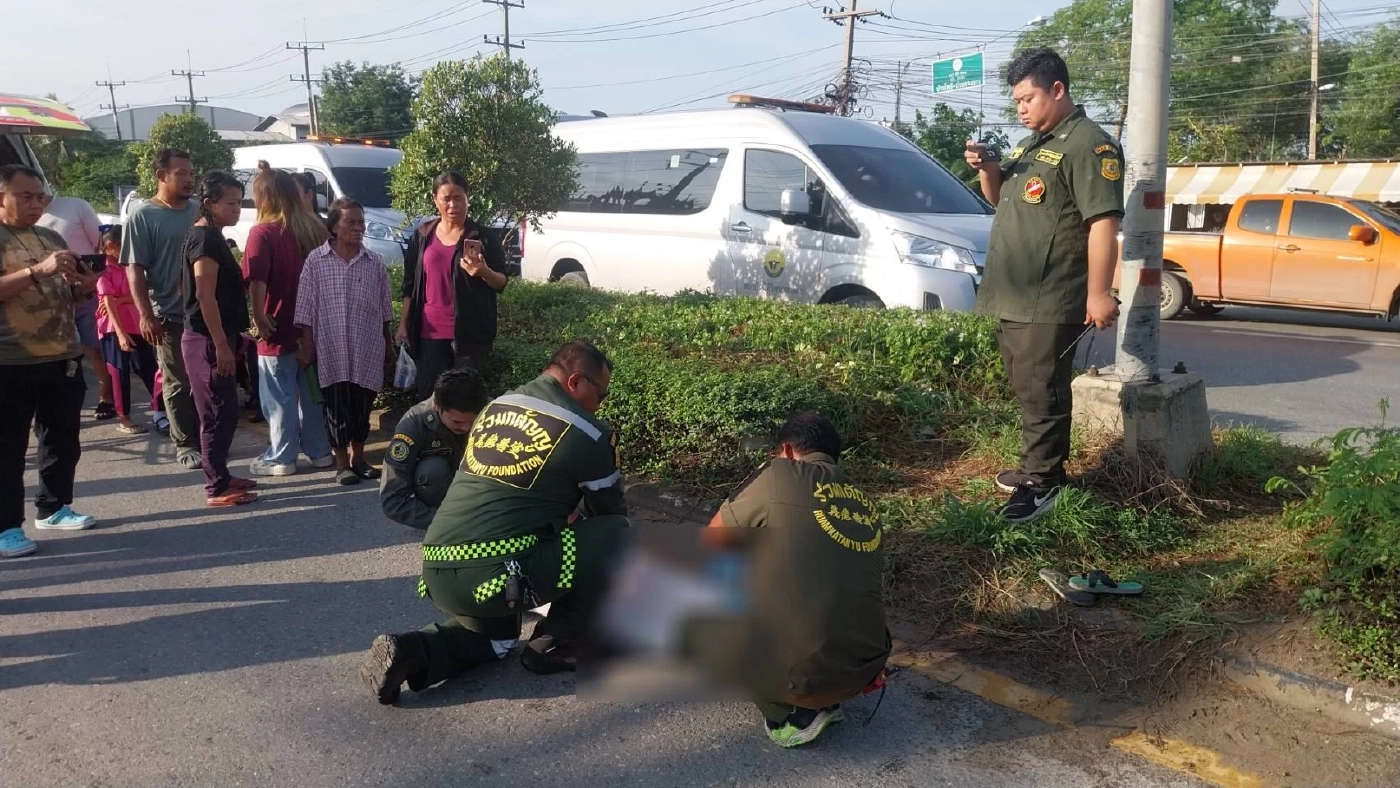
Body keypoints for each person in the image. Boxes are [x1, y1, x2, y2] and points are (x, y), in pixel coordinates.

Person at [360, 340, 629, 705]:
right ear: (576, 382)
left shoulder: (496, 407)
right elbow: (608, 515)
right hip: (499, 572)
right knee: (617, 536)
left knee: (496, 641)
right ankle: (555, 643)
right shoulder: (588, 431)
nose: (602, 404)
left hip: (438, 566)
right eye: (602, 393)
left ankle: (412, 651)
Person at [964, 47, 1124, 523]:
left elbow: (1102, 223)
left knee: (1043, 390)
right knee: (1028, 387)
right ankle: (1037, 466)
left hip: (1050, 295)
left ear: (1057, 90)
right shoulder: (1030, 146)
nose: (1021, 108)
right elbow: (1001, 202)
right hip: (1013, 294)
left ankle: (1044, 483)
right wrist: (989, 171)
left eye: (1028, 98)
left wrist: (1098, 292)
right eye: (1016, 101)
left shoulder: (1089, 146)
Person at [696, 412, 890, 748]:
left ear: (786, 450)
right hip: (865, 669)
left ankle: (790, 715)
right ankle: (825, 697)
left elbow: (714, 542)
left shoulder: (778, 476)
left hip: (804, 675)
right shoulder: (863, 500)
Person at [0, 164, 101, 559]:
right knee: (8, 448)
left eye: (39, 196)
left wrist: (83, 289)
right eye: (25, 196)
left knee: (61, 438)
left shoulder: (50, 236)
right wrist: (38, 270)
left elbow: (66, 296)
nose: (35, 204)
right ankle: (7, 526)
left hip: (61, 355)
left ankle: (54, 507)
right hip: (10, 360)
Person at [295, 198, 394, 486]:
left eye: (361, 222)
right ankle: (341, 464)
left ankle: (359, 459)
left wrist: (388, 345)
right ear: (334, 226)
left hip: (367, 348)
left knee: (362, 406)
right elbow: (306, 308)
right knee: (336, 407)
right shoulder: (317, 260)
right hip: (332, 348)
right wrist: (308, 345)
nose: (358, 228)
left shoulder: (374, 262)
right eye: (351, 222)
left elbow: (385, 309)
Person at [243, 162, 331, 477]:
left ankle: (282, 456)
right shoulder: (315, 229)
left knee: (278, 396)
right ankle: (320, 451)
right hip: (312, 327)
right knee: (310, 393)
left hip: (277, 325)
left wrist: (258, 315)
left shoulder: (262, 232)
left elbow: (257, 280)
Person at [397, 172, 509, 401]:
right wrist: (403, 324)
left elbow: (502, 282)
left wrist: (484, 272)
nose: (453, 204)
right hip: (429, 333)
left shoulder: (483, 237)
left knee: (465, 402)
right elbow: (410, 284)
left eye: (458, 197)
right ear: (434, 199)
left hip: (470, 336)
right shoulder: (422, 236)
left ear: (468, 198)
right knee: (429, 399)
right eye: (446, 198)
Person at [123, 148, 203, 471]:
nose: (189, 179)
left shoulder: (199, 210)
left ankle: (208, 437)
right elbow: (134, 270)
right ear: (161, 176)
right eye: (181, 173)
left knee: (205, 380)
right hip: (168, 316)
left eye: (191, 173)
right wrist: (146, 314)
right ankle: (185, 443)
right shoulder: (143, 216)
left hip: (203, 312)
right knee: (178, 382)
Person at [181, 171, 257, 507]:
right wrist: (222, 346)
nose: (237, 209)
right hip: (207, 340)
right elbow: (203, 295)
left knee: (226, 412)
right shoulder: (205, 240)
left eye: (240, 202)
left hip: (217, 337)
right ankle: (215, 486)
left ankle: (221, 474)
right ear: (209, 203)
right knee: (214, 412)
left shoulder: (212, 235)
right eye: (231, 203)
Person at [37, 187, 115, 420]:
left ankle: (106, 398)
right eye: (24, 194)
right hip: (47, 299)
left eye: (35, 192)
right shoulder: (19, 220)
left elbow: (101, 248)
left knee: (95, 349)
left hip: (85, 293)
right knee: (54, 353)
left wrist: (97, 284)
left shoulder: (76, 206)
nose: (32, 199)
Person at [380, 366, 490, 530]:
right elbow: (393, 501)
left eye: (474, 421)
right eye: (457, 422)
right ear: (438, 406)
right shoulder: (413, 425)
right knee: (432, 470)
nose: (467, 428)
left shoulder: (496, 414)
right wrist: (446, 523)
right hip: (440, 504)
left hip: (480, 495)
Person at [95, 225, 164, 435]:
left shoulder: (130, 265)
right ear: (110, 246)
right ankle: (124, 418)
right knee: (119, 373)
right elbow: (109, 305)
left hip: (136, 324)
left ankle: (160, 410)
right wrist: (121, 333)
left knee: (150, 369)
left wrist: (121, 299)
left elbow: (130, 296)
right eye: (123, 245)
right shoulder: (102, 270)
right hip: (113, 329)